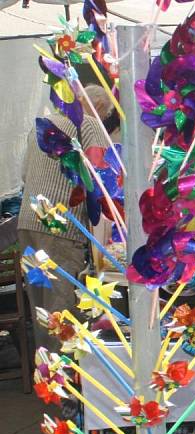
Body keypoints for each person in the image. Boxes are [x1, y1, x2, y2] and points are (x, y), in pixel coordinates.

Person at [17, 85, 111, 353]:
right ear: (97, 109)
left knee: (41, 304)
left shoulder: (42, 124)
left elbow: (24, 175)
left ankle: (48, 375)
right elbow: (101, 177)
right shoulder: (89, 124)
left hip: (29, 221)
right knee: (62, 304)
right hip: (60, 226)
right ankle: (68, 383)